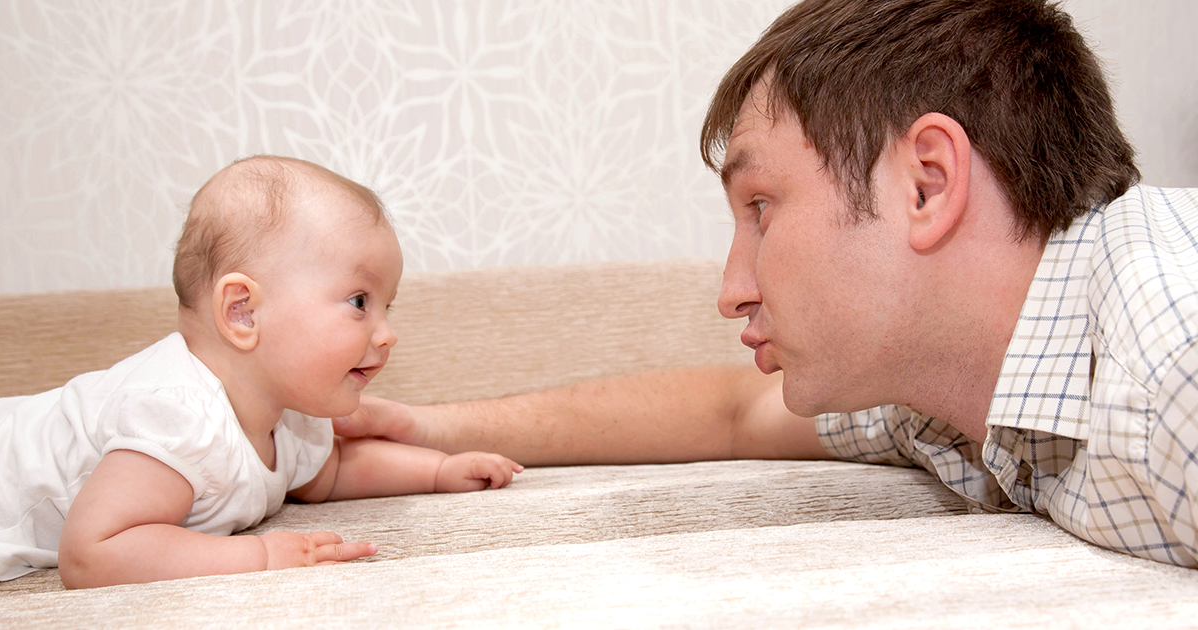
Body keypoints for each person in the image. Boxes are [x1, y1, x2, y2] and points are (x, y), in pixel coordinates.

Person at [335, 0, 1198, 568]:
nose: (731, 289)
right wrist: (426, 426)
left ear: (926, 184)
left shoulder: (1170, 365)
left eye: (761, 206)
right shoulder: (945, 376)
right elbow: (732, 413)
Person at [0, 155, 522, 587]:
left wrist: (436, 471)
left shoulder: (287, 413)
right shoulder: (177, 416)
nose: (386, 334)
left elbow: (332, 473)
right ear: (242, 312)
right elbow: (93, 554)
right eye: (360, 301)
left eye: (389, 307)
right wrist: (260, 558)